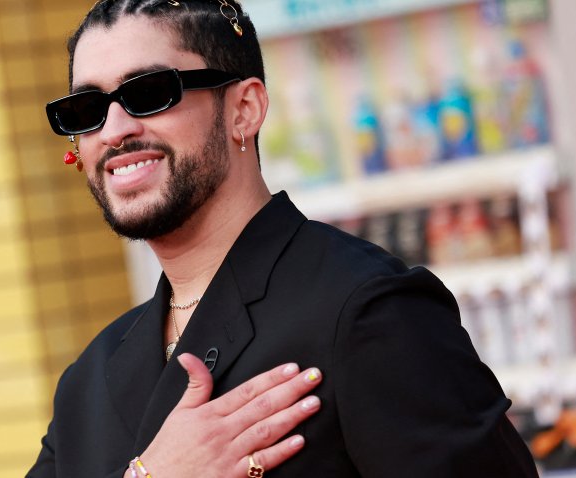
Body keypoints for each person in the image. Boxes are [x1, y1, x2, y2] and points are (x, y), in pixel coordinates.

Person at [28, 0, 539, 476]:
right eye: (86, 109)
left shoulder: (367, 311)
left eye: (147, 93)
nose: (114, 129)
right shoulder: (87, 381)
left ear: (244, 109)